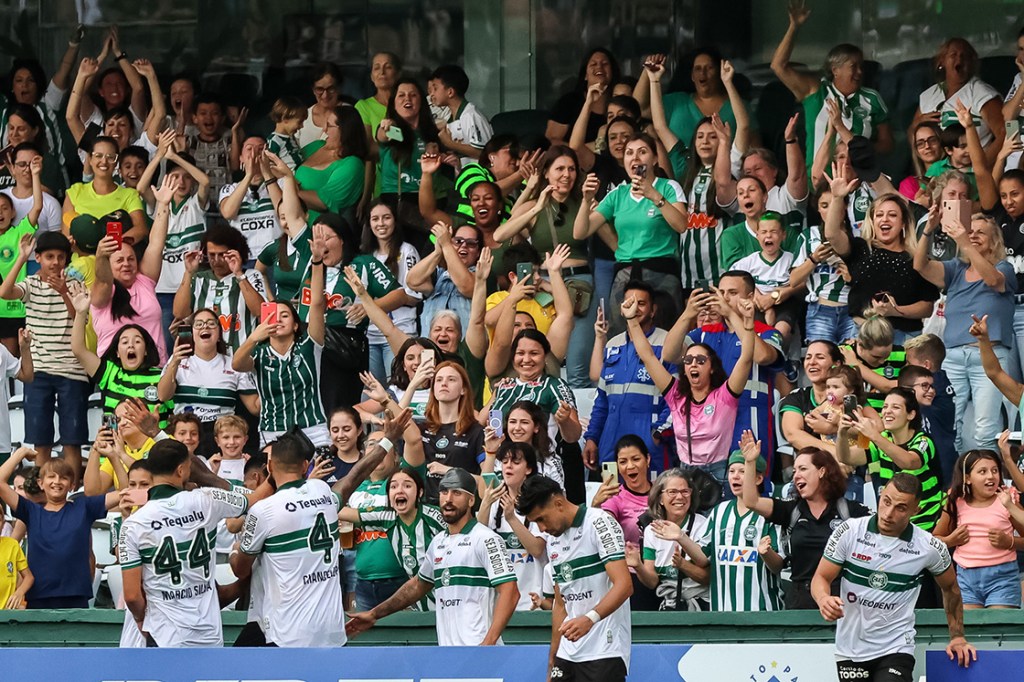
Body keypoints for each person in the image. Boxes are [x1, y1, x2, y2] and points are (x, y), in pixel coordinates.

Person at [812, 473, 977, 680]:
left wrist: (958, 637)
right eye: (886, 501)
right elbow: (821, 578)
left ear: (915, 510)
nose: (888, 514)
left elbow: (951, 588)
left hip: (896, 647)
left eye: (900, 508)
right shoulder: (849, 531)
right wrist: (823, 599)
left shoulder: (928, 546)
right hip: (850, 648)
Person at [346, 467, 520, 646]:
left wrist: (488, 643)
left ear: (471, 500)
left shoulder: (487, 539)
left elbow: (511, 592)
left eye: (457, 493)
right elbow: (417, 586)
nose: (448, 499)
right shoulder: (438, 542)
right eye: (444, 492)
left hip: (480, 649)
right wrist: (375, 614)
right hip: (446, 651)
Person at [119, 439, 260, 647]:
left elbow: (131, 596)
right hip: (208, 633)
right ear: (182, 470)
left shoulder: (132, 525)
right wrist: (273, 479)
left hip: (164, 634)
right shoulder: (206, 499)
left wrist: (141, 618)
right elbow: (254, 500)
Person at [628, 289, 755, 483]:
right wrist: (632, 321)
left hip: (719, 475)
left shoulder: (725, 396)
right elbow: (648, 356)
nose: (693, 364)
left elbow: (746, 357)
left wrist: (736, 317)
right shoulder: (676, 395)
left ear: (712, 367)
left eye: (700, 360)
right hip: (685, 475)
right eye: (688, 360)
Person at [517, 475, 633, 682]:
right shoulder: (554, 539)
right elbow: (561, 604)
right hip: (567, 653)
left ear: (558, 503)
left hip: (604, 650)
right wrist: (553, 658)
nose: (542, 529)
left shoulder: (600, 522)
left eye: (541, 519)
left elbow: (624, 585)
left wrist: (590, 619)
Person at [915, 213, 1013, 451]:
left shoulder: (1004, 267)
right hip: (954, 357)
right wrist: (928, 229)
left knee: (985, 429)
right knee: (950, 426)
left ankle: (988, 483)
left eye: (980, 232)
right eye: (970, 232)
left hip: (989, 356)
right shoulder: (956, 268)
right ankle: (956, 482)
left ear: (995, 240)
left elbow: (993, 281)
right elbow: (920, 266)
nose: (973, 235)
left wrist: (965, 244)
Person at [574, 135, 687, 334]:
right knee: (621, 333)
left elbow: (681, 225)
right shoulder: (618, 194)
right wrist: (586, 201)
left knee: (665, 334)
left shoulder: (668, 187)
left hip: (661, 272)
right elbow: (580, 232)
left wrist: (653, 195)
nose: (635, 158)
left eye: (642, 152)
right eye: (629, 153)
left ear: (654, 160)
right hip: (625, 275)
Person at [740, 435, 869, 610]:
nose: (796, 476)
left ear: (822, 471)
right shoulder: (791, 510)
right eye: (794, 471)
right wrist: (749, 462)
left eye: (802, 469)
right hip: (800, 601)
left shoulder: (851, 511)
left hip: (841, 602)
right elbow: (751, 501)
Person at [0, 232, 88, 474]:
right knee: (41, 441)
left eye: (61, 257)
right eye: (49, 256)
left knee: (72, 439)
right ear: (38, 257)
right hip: (37, 370)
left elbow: (79, 319)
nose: (55, 262)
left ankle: (70, 491)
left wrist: (63, 293)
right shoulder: (31, 284)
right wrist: (21, 258)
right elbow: (4, 292)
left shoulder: (75, 285)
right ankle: (39, 490)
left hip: (72, 369)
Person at [770, 0, 893, 165]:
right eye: (853, 67)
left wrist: (861, 148)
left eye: (861, 66)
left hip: (860, 181)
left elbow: (887, 144)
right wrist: (794, 27)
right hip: (819, 182)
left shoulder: (872, 98)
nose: (860, 72)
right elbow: (778, 66)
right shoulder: (814, 92)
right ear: (835, 70)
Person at [825, 168, 940, 343]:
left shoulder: (916, 258)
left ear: (903, 223)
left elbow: (927, 307)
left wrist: (896, 311)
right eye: (879, 215)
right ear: (872, 221)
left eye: (892, 215)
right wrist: (837, 197)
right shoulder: (861, 248)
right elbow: (832, 234)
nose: (884, 219)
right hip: (862, 333)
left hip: (903, 337)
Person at [0, 446, 122, 608]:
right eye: (51, 476)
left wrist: (113, 456)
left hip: (75, 595)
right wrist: (21, 453)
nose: (57, 482)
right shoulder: (31, 511)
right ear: (41, 483)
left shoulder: (84, 507)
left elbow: (125, 492)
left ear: (72, 485)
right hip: (38, 596)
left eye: (63, 478)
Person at [585, 280, 674, 472]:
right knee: (611, 499)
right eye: (629, 302)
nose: (634, 307)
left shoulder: (668, 342)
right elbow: (602, 401)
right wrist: (592, 438)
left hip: (649, 444)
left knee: (653, 500)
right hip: (611, 444)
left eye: (641, 303)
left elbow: (677, 398)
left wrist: (657, 435)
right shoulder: (613, 345)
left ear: (653, 310)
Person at [90, 174, 178, 364]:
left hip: (154, 371)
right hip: (116, 377)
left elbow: (156, 243)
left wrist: (163, 204)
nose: (126, 263)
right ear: (108, 264)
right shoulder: (104, 290)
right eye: (119, 260)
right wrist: (100, 256)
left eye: (131, 259)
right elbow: (104, 279)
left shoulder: (144, 280)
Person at [232, 285, 328, 447]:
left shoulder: (309, 347)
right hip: (272, 432)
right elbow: (237, 364)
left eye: (284, 316)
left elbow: (317, 303)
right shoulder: (259, 353)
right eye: (272, 316)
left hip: (313, 429)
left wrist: (317, 263)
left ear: (296, 325)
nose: (278, 320)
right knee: (274, 473)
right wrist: (253, 338)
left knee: (320, 472)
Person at [837, 387, 943, 531]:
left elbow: (909, 462)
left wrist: (874, 435)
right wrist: (842, 433)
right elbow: (846, 457)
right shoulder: (883, 438)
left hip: (926, 524)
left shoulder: (923, 440)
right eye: (885, 406)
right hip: (893, 523)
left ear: (911, 414)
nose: (887, 411)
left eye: (896, 407)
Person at [157, 308, 259, 456]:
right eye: (198, 324)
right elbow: (163, 396)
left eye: (211, 323)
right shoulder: (178, 361)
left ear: (218, 334)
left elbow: (255, 408)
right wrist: (174, 362)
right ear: (192, 334)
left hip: (221, 435)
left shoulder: (233, 365)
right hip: (187, 433)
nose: (205, 327)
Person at [933, 450, 1024, 609]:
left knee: (997, 630)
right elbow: (935, 540)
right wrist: (951, 540)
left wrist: (1009, 542)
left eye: (995, 470)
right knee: (972, 631)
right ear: (967, 478)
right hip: (965, 578)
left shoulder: (1007, 500)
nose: (991, 476)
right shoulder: (956, 502)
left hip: (1002, 577)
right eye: (982, 471)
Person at [173, 222, 268, 351]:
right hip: (206, 360)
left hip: (242, 359)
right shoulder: (198, 279)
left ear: (236, 252)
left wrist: (239, 273)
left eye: (222, 255)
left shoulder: (252, 276)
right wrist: (188, 272)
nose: (216, 260)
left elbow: (260, 312)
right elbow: (179, 313)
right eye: (211, 255)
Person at [477, 440, 547, 611]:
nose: (509, 466)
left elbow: (537, 550)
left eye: (516, 462)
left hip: (531, 602)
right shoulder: (494, 505)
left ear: (528, 469)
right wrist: (485, 503)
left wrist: (511, 518)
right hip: (497, 605)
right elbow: (476, 543)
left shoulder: (539, 504)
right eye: (505, 462)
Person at [630, 468, 709, 612]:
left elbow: (707, 578)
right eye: (672, 492)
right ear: (660, 498)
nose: (679, 497)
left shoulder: (702, 525)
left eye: (685, 491)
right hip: (670, 605)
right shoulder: (651, 530)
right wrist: (638, 566)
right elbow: (652, 582)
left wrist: (683, 565)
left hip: (702, 604)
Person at [914, 38, 1004, 165]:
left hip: (972, 170)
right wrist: (918, 123)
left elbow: (1005, 132)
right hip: (938, 173)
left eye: (965, 56)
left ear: (972, 63)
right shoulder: (928, 96)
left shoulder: (982, 93)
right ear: (942, 62)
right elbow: (913, 136)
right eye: (953, 55)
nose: (959, 59)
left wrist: (982, 167)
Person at [361, 200, 421, 384]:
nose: (381, 223)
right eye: (375, 219)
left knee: (398, 388)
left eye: (386, 218)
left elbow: (413, 296)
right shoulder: (365, 255)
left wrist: (372, 306)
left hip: (400, 331)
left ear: (395, 221)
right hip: (370, 335)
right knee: (374, 394)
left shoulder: (407, 251)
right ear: (369, 223)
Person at [415, 361, 485, 504]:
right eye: (439, 380)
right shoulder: (422, 429)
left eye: (451, 379)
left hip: (461, 510)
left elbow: (487, 483)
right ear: (433, 389)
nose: (444, 383)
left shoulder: (476, 431)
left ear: (463, 389)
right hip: (426, 509)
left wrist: (449, 471)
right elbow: (396, 424)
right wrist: (413, 385)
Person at [63, 136, 147, 244]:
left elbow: (141, 229)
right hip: (81, 258)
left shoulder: (130, 194)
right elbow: (66, 234)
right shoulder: (75, 191)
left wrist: (111, 247)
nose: (104, 161)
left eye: (110, 157)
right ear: (90, 159)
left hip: (117, 257)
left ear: (117, 162)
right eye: (98, 156)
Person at [295, 106, 367, 224]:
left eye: (329, 125)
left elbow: (324, 202)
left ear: (345, 130)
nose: (324, 129)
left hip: (319, 229)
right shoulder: (316, 145)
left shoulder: (352, 164)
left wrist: (287, 190)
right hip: (289, 222)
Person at [218, 137, 282, 262]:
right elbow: (228, 213)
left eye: (260, 149)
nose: (254, 153)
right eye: (249, 149)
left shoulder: (281, 184)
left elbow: (283, 210)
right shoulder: (230, 189)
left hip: (274, 257)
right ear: (241, 157)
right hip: (243, 259)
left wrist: (267, 173)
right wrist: (249, 176)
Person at [546, 48, 620, 145]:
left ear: (612, 72)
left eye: (605, 64)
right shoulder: (568, 102)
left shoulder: (620, 101)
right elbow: (551, 141)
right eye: (593, 64)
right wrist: (583, 152)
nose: (599, 67)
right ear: (585, 75)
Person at [429, 64, 493, 168]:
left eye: (435, 89)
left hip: (478, 179)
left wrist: (450, 144)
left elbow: (484, 153)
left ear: (450, 92)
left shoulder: (471, 115)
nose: (431, 94)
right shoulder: (450, 119)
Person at [298, 63, 345, 149]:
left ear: (339, 88)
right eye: (320, 89)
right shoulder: (302, 117)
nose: (325, 95)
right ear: (313, 90)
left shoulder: (350, 114)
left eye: (330, 89)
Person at [265, 96, 306, 170]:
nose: (302, 126)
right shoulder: (274, 141)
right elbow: (270, 167)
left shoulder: (291, 137)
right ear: (285, 119)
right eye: (300, 122)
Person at [0, 523, 32, 609]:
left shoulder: (12, 545)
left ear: (3, 524)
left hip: (7, 614)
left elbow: (29, 577)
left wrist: (19, 592)